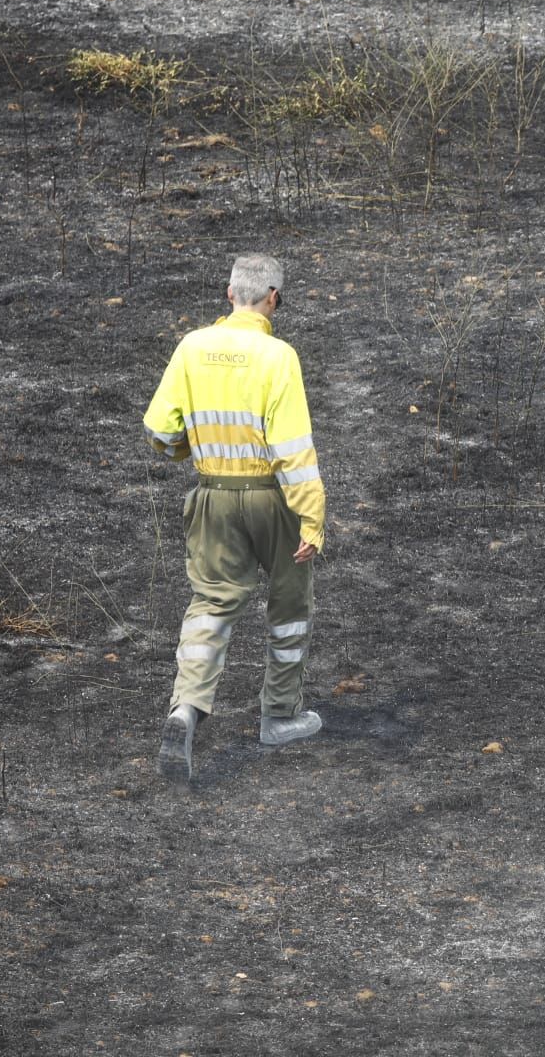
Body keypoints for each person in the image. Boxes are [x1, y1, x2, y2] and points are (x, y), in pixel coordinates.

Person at [142, 253, 327, 781]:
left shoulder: (191, 346)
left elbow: (159, 432)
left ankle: (185, 709)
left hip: (213, 497)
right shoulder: (279, 356)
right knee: (289, 605)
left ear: (229, 294)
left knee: (211, 604)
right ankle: (280, 717)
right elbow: (293, 451)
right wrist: (311, 520)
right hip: (272, 500)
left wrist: (195, 451)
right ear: (274, 299)